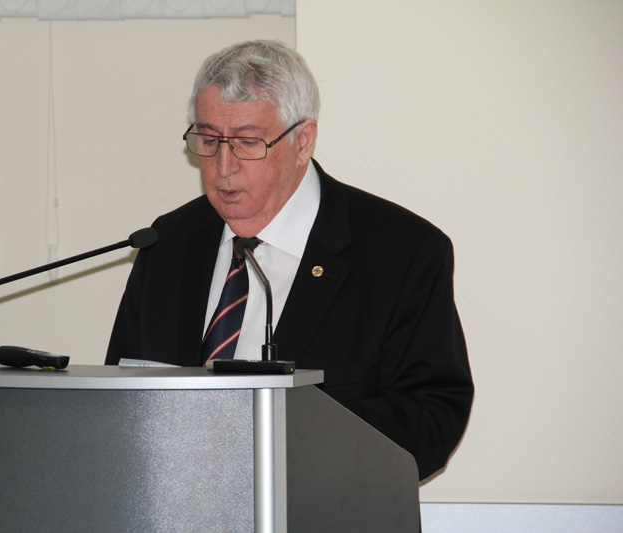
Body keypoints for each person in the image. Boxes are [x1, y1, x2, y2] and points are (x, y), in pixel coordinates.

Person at [105, 40, 473, 481]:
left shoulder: (402, 253)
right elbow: (119, 396)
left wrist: (276, 442)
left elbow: (431, 417)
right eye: (209, 140)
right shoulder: (168, 243)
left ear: (303, 141)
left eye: (247, 142)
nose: (223, 167)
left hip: (322, 506)